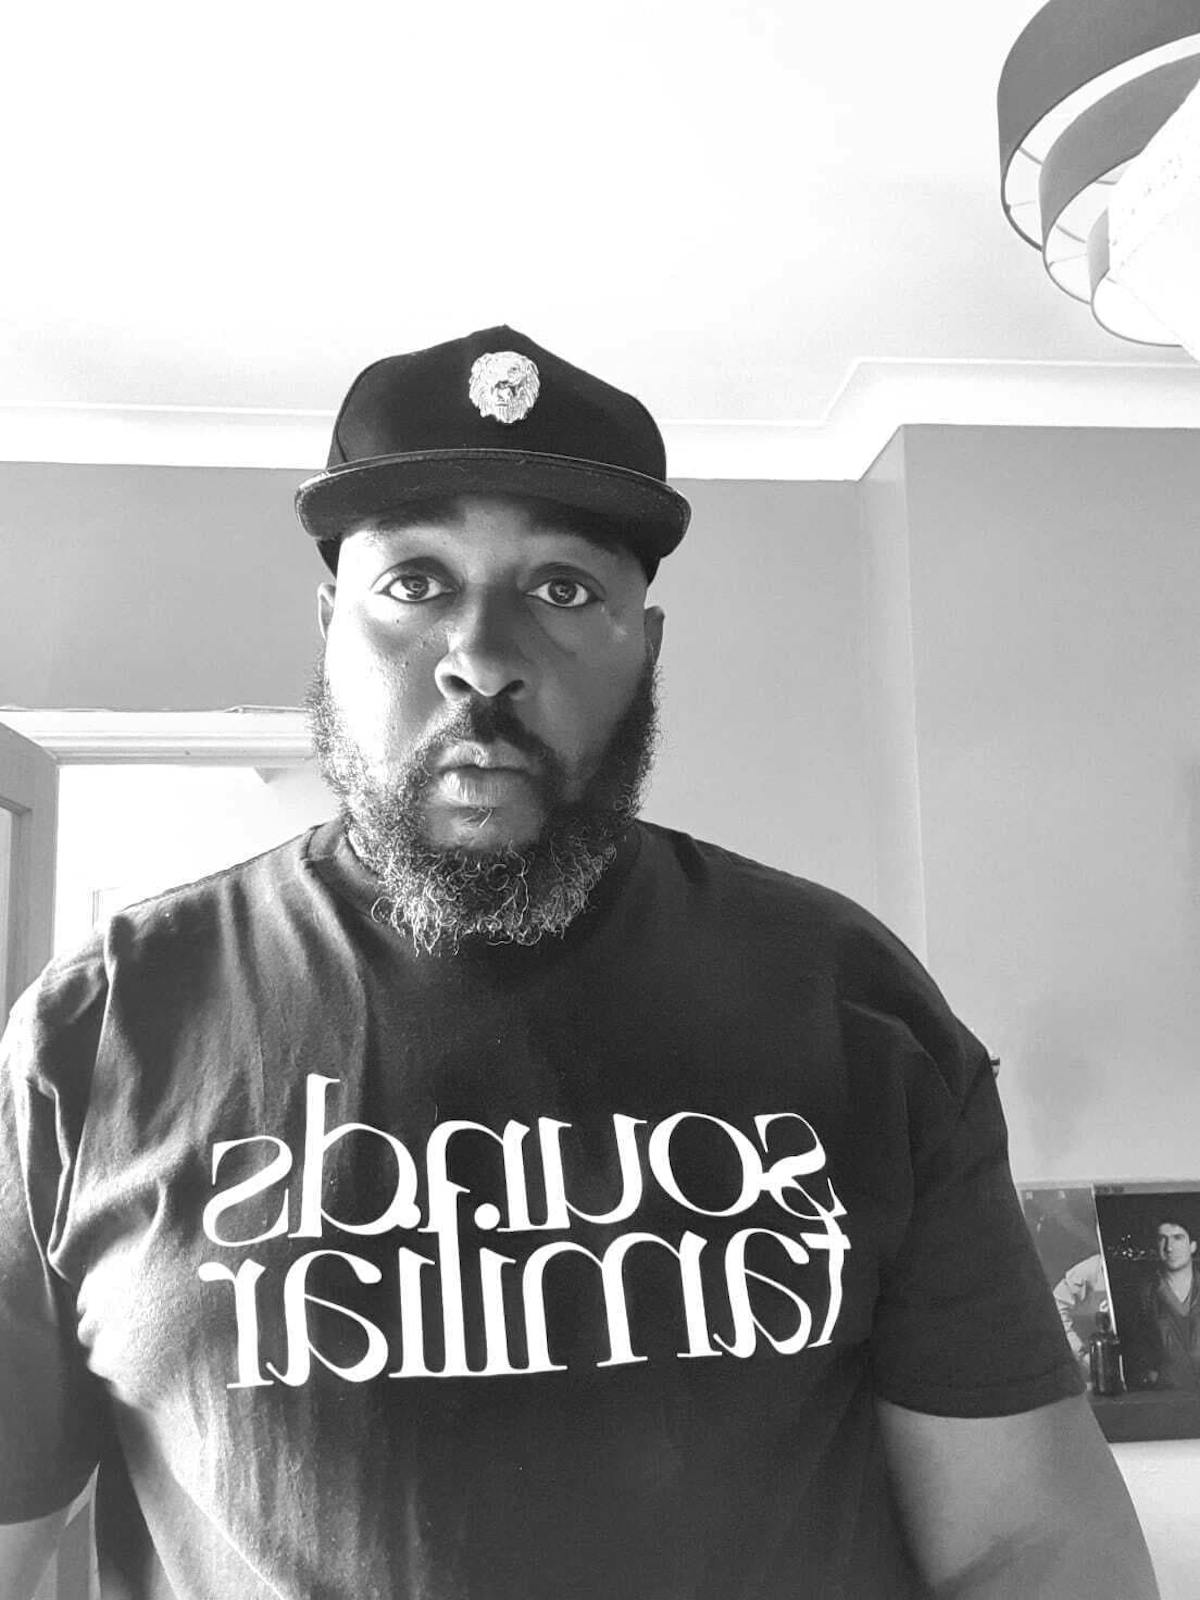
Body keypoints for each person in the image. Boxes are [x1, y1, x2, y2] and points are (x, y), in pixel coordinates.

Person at [0, 327, 1158, 1598]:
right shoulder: (98, 1032)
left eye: (561, 590)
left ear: (644, 648)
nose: (483, 656)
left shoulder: (847, 999)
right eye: (415, 582)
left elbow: (1032, 1542)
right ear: (330, 625)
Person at [1131, 1216, 1200, 1393]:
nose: (1169, 1247)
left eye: (1178, 1238)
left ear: (1193, 1246)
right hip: (1166, 1395)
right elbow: (1137, 1347)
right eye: (1162, 1239)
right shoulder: (1144, 1294)